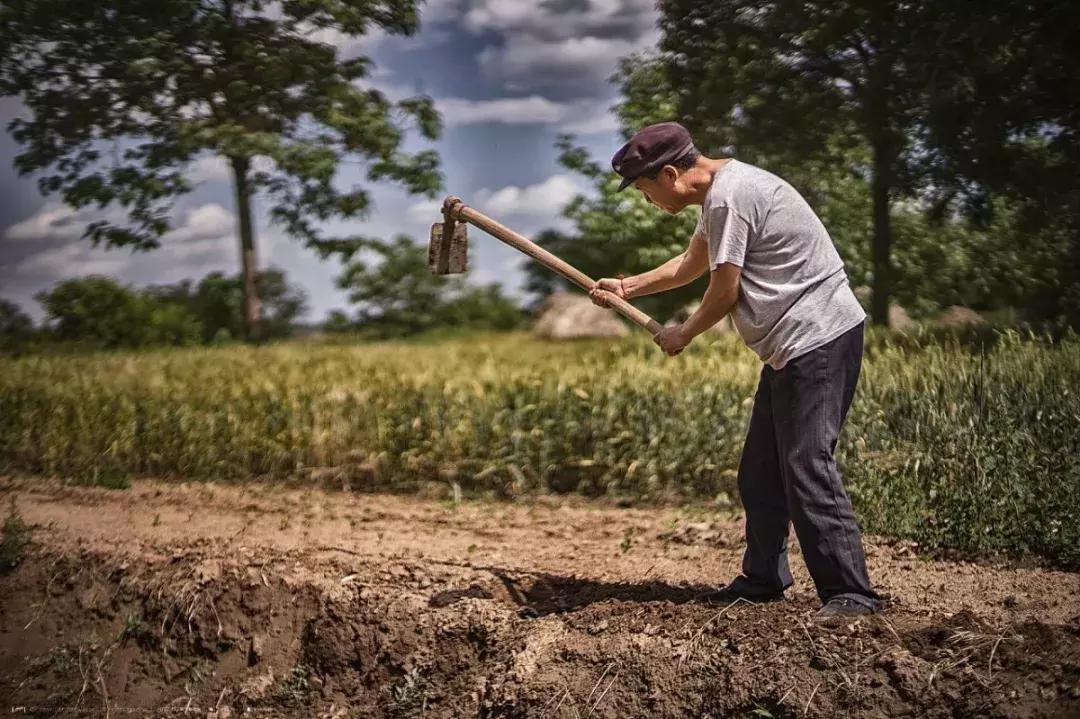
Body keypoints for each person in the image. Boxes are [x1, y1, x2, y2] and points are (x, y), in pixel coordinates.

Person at [589, 121, 881, 619]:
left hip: (819, 338)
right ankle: (764, 580)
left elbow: (724, 292)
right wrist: (627, 287)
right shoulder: (722, 195)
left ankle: (852, 594)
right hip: (789, 347)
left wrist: (682, 334)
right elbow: (691, 264)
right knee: (760, 472)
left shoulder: (731, 197)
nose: (648, 201)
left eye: (644, 190)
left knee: (806, 463)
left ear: (670, 174)